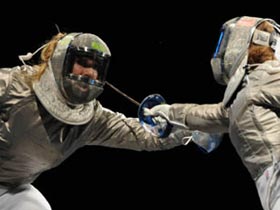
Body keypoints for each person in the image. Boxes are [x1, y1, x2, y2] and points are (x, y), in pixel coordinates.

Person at [0, 32, 192, 209]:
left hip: (9, 188)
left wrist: (189, 127)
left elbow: (145, 135)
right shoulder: (14, 85)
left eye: (96, 68)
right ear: (60, 61)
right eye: (83, 62)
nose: (91, 73)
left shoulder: (91, 119)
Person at [144, 16, 280, 210]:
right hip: (270, 186)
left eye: (236, 41)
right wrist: (170, 112)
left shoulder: (271, 74)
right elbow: (214, 115)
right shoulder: (245, 91)